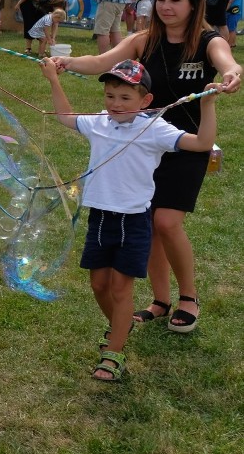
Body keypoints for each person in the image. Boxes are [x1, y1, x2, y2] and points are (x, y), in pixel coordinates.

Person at [53, 0, 241, 334]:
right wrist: (67, 63)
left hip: (186, 144)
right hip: (141, 145)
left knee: (167, 222)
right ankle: (160, 300)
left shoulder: (208, 41)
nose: (166, 7)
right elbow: (100, 63)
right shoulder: (144, 39)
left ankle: (188, 296)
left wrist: (233, 73)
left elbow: (228, 63)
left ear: (193, 3)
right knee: (148, 223)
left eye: (175, 0)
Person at [41, 58, 218, 380]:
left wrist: (207, 105)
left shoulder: (156, 129)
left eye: (125, 98)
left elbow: (202, 144)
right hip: (100, 217)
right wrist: (54, 79)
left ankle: (114, 353)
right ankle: (120, 328)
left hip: (133, 222)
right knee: (98, 285)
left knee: (121, 289)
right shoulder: (99, 123)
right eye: (110, 96)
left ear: (145, 101)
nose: (116, 104)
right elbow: (64, 116)